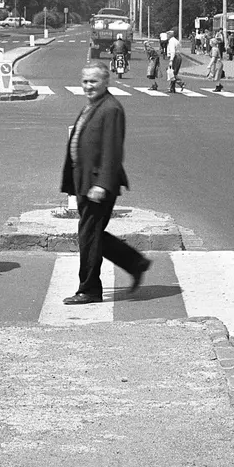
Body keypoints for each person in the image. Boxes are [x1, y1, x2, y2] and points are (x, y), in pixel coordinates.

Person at [59, 63, 150, 304]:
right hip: (84, 181)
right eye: (85, 81)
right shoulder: (94, 105)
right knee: (93, 234)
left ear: (106, 82)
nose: (88, 86)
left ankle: (89, 289)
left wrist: (101, 184)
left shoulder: (111, 109)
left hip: (98, 185)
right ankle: (134, 262)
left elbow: (113, 150)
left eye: (94, 81)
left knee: (88, 236)